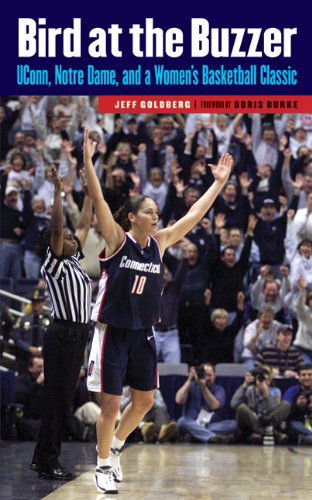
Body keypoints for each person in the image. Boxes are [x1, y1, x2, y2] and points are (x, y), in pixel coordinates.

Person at [84, 128, 233, 494]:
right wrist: (87, 162)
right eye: (149, 211)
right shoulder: (118, 240)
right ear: (133, 217)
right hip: (112, 330)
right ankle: (102, 464)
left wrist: (218, 185)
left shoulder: (160, 243)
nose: (156, 215)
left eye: (156, 211)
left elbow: (193, 217)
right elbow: (100, 200)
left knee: (146, 401)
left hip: (143, 332)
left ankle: (116, 447)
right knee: (111, 403)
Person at [31, 162, 93, 481]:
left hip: (77, 334)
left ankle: (43, 458)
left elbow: (83, 223)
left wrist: (89, 191)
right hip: (63, 333)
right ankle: (48, 460)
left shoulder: (74, 261)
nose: (73, 239)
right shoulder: (55, 263)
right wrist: (57, 191)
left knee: (62, 399)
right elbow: (59, 229)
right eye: (67, 238)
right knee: (58, 399)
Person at [176, 364, 237, 444]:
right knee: (181, 421)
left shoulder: (219, 389)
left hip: (210, 425)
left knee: (233, 424)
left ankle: (196, 435)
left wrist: (203, 386)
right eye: (204, 375)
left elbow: (215, 406)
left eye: (209, 375)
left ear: (214, 376)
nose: (207, 378)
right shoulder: (191, 386)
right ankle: (212, 437)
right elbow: (178, 400)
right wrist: (189, 379)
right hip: (191, 423)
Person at [230, 366, 290, 444]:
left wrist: (266, 394)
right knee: (241, 407)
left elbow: (275, 411)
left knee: (286, 404)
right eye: (261, 379)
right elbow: (233, 404)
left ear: (270, 380)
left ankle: (264, 431)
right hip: (254, 420)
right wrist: (245, 384)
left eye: (266, 379)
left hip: (269, 419)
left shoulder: (276, 391)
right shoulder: (250, 389)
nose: (263, 381)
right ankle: (266, 432)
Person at [13, 288, 51, 374]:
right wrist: (28, 348)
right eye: (34, 301)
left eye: (39, 301)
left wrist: (42, 350)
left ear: (43, 302)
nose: (36, 304)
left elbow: (53, 339)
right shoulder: (23, 319)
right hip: (25, 357)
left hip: (44, 358)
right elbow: (16, 337)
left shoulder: (49, 320)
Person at [283, 364, 312, 445]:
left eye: (310, 375)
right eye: (303, 375)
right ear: (299, 377)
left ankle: (307, 438)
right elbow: (284, 412)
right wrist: (296, 406)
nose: (307, 377)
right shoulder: (292, 390)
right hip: (298, 423)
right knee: (293, 425)